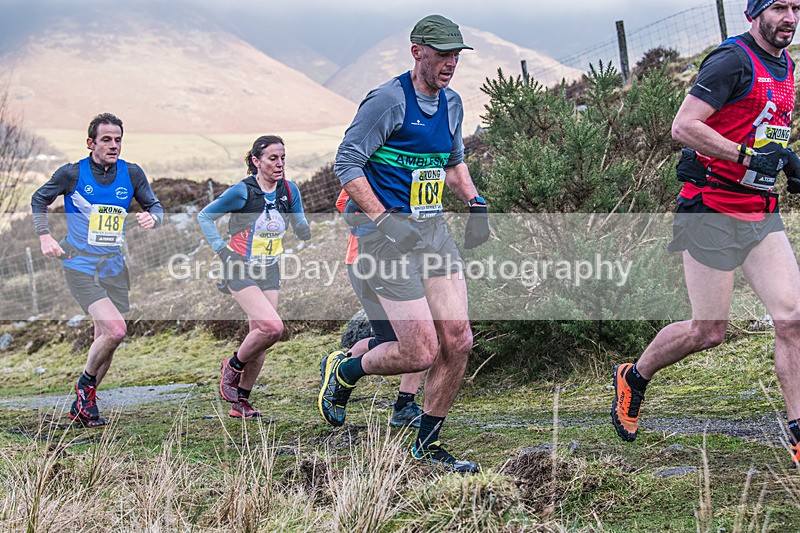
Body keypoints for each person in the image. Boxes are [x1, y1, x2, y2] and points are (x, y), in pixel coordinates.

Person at [611, 0, 800, 461]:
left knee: (793, 317)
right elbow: (684, 125)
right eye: (779, 7)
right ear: (754, 12)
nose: (790, 18)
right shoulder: (731, 60)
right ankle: (634, 377)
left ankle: (797, 432)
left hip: (758, 211)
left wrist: (787, 160)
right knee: (708, 330)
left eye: (797, 7)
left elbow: (764, 129)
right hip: (710, 210)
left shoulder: (786, 63)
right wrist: (747, 159)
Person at [318, 14, 490, 473]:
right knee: (419, 351)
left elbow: (452, 164)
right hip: (386, 240)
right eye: (442, 54)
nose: (450, 63)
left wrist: (475, 202)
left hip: (433, 233)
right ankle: (345, 371)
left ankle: (427, 444)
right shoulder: (388, 101)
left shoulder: (452, 104)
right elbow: (347, 163)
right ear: (418, 52)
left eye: (456, 55)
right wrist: (384, 219)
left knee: (458, 339)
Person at [31, 113, 164, 427]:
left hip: (113, 267)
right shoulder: (72, 174)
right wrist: (44, 235)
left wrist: (153, 218)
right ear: (91, 143)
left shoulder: (131, 173)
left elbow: (155, 205)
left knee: (107, 338)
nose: (113, 145)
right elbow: (39, 199)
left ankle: (84, 405)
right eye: (106, 139)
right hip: (80, 265)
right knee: (116, 330)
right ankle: (85, 386)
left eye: (118, 139)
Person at [198, 135, 311, 419]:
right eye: (273, 158)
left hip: (269, 269)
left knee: (261, 336)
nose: (280, 163)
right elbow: (205, 217)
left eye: (283, 158)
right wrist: (222, 251)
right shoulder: (242, 192)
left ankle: (241, 402)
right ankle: (232, 366)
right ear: (256, 161)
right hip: (239, 267)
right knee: (272, 327)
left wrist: (303, 227)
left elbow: (299, 221)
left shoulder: (289, 190)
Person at [335, 189, 425, 428]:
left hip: (411, 256)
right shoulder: (371, 166)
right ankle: (340, 375)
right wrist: (386, 223)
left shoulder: (420, 161)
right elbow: (344, 203)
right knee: (387, 338)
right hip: (368, 258)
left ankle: (405, 405)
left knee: (426, 331)